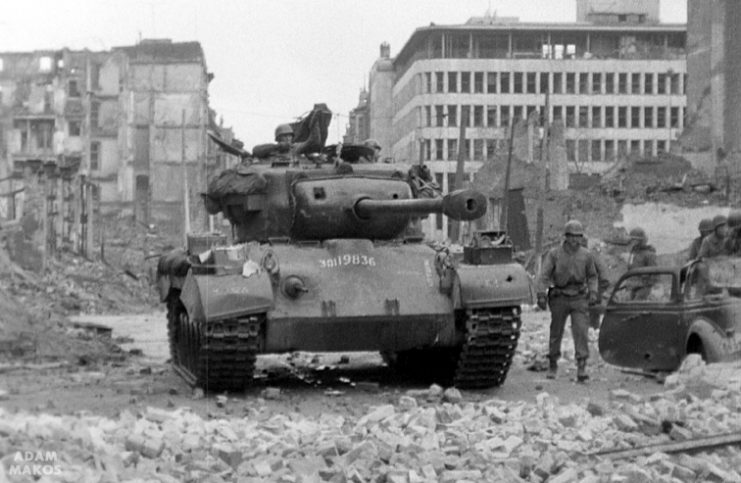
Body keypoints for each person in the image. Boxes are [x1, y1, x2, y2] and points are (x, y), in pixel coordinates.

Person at [537, 219, 598, 382]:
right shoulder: (554, 254)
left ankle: (582, 366)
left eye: (578, 237)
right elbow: (544, 275)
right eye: (572, 237)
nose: (575, 240)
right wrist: (541, 294)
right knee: (556, 331)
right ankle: (552, 364)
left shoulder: (586, 255)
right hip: (560, 296)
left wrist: (593, 292)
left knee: (581, 331)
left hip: (579, 297)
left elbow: (592, 276)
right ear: (566, 237)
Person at [580, 237, 609, 329]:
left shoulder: (591, 256)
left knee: (593, 308)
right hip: (588, 287)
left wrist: (600, 288)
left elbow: (602, 271)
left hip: (596, 287)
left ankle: (594, 328)